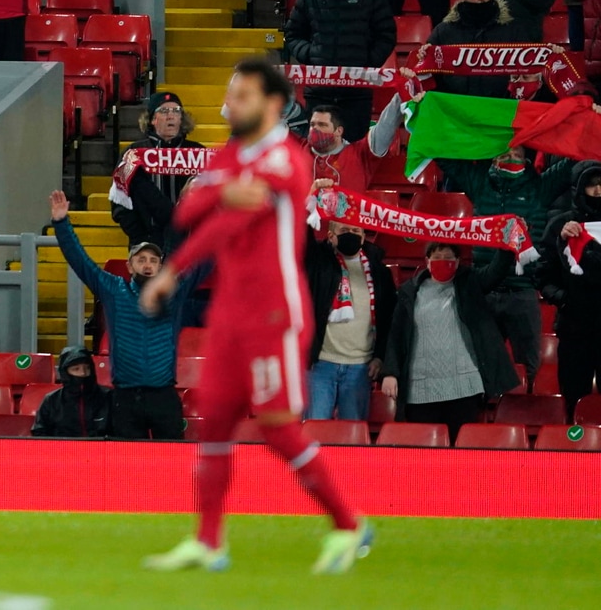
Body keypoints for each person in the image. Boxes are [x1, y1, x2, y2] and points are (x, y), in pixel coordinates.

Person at [138, 58, 370, 575]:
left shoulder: (287, 159)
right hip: (230, 314)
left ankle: (349, 526)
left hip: (274, 313)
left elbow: (222, 222)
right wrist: (219, 192)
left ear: (271, 104)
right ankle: (208, 541)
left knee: (278, 427)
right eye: (229, 92)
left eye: (240, 94)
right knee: (214, 423)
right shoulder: (232, 155)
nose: (230, 103)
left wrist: (174, 269)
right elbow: (188, 212)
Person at [50, 189, 191, 440]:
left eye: (153, 260)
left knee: (173, 467)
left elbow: (206, 262)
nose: (147, 265)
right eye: (141, 259)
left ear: (161, 266)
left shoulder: (174, 290)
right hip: (125, 399)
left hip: (164, 397)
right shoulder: (114, 290)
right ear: (129, 265)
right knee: (127, 471)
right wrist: (62, 223)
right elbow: (81, 262)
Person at [435, 146, 575, 390]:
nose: (509, 159)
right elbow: (445, 156)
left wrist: (592, 122)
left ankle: (525, 418)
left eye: (516, 155)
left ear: (526, 159)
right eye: (503, 154)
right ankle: (482, 423)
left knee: (529, 368)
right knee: (478, 364)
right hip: (484, 292)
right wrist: (426, 117)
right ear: (493, 158)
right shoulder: (480, 183)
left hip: (522, 293)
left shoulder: (541, 187)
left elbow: (574, 159)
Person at [381, 246, 520, 442]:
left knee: (461, 454)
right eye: (437, 257)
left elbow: (496, 271)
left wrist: (507, 245)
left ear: (457, 262)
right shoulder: (409, 291)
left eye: (448, 257)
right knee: (426, 457)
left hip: (465, 389)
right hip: (421, 390)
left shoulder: (470, 283)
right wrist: (390, 373)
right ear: (427, 261)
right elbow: (396, 335)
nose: (443, 261)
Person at [280, 0, 395, 139]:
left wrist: (367, 61)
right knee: (318, 149)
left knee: (354, 154)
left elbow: (386, 34)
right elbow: (292, 34)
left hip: (357, 92)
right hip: (319, 91)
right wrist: (311, 55)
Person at [304, 220, 395, 424]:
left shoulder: (379, 272)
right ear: (330, 236)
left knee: (352, 442)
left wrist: (380, 357)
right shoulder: (319, 264)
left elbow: (388, 319)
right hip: (320, 365)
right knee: (315, 433)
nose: (351, 234)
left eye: (356, 231)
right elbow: (302, 239)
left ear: (363, 237)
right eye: (344, 230)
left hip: (360, 368)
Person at [542, 162, 601, 421]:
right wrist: (565, 300)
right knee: (573, 398)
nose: (598, 189)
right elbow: (542, 275)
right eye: (591, 183)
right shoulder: (560, 226)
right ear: (578, 188)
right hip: (575, 329)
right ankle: (574, 454)